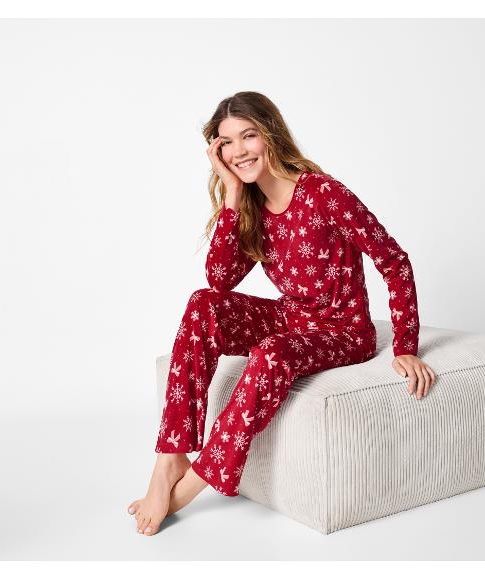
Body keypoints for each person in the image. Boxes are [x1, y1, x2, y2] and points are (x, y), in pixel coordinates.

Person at [128, 91, 437, 536]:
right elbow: (219, 279)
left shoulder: (324, 193)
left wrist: (405, 346)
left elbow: (393, 259)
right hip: (291, 319)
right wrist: (233, 195)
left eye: (248, 136)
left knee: (272, 352)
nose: (238, 151)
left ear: (270, 134)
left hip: (344, 332)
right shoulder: (251, 205)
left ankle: (192, 484)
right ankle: (169, 457)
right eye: (226, 143)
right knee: (202, 304)